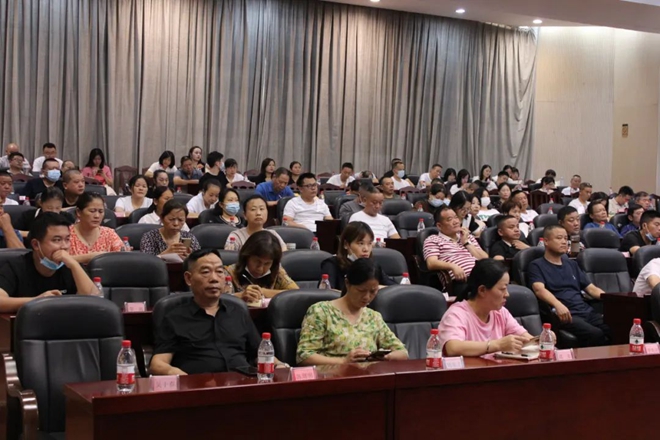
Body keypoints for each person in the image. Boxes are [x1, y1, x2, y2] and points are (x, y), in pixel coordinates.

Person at [150, 249, 287, 375]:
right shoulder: (174, 317)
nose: (214, 278)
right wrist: (184, 380)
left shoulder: (238, 311)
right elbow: (158, 365)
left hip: (242, 384)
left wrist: (280, 366)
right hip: (199, 387)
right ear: (188, 279)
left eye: (219, 271)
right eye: (206, 272)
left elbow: (260, 352)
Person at [297, 258, 408, 365]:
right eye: (361, 290)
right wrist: (344, 361)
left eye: (373, 291)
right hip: (332, 375)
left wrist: (385, 357)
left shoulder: (373, 317)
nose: (367, 297)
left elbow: (402, 352)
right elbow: (304, 356)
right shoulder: (321, 312)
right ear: (347, 284)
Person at [0, 213, 99, 313]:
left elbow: (94, 300)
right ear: (36, 244)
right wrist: (37, 301)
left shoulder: (71, 266)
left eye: (67, 239)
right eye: (57, 240)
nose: (64, 246)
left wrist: (74, 265)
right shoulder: (15, 266)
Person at [529, 225, 610, 347]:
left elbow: (591, 289)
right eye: (559, 238)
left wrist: (612, 299)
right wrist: (557, 304)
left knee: (617, 327)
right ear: (546, 241)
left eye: (565, 238)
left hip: (585, 310)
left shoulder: (572, 264)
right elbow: (539, 289)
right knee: (595, 334)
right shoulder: (536, 265)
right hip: (565, 314)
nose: (564, 242)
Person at [438, 259, 534, 356]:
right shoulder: (457, 314)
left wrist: (540, 341)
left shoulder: (501, 312)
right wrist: (497, 345)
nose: (507, 294)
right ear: (482, 290)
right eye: (502, 289)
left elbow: (527, 339)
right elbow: (452, 348)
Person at [423, 205, 488, 298]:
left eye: (456, 217)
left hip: (483, 277)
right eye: (449, 219)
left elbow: (485, 258)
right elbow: (431, 263)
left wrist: (466, 243)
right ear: (439, 226)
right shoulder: (433, 239)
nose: (456, 221)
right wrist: (453, 266)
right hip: (461, 281)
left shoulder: (467, 237)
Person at [320, 222, 395, 291]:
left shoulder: (372, 266)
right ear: (346, 244)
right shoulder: (332, 264)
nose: (366, 249)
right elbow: (327, 292)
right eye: (361, 243)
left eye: (369, 243)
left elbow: (394, 288)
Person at [226, 230, 298, 302]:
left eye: (267, 264)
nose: (260, 268)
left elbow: (296, 293)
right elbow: (222, 297)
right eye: (257, 261)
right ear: (246, 257)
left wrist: (264, 292)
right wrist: (240, 295)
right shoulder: (229, 272)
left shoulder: (277, 272)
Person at [67, 193, 124, 264]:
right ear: (78, 212)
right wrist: (88, 258)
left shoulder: (109, 234)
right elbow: (58, 260)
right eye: (92, 211)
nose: (97, 216)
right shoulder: (66, 234)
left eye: (101, 211)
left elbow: (123, 259)